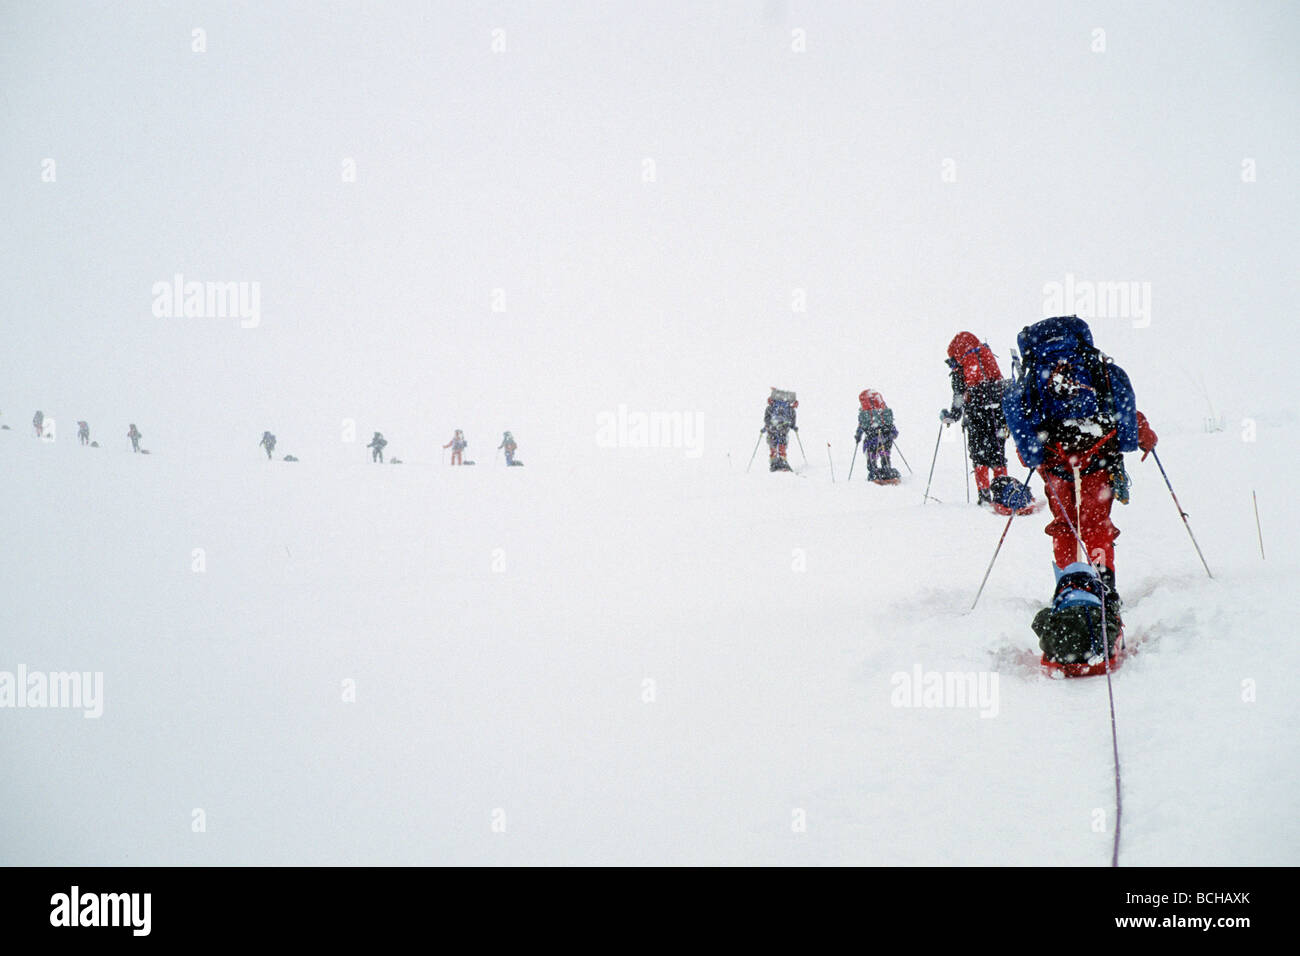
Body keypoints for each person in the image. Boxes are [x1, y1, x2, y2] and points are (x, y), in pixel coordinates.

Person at [1003, 315, 1159, 667]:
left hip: (1056, 462)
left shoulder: (1034, 373)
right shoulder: (1094, 365)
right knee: (1095, 525)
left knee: (1065, 524)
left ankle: (1070, 586)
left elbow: (1025, 435)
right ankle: (1104, 591)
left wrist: (1035, 453)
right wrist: (1141, 433)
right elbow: (1125, 416)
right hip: (1097, 458)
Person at [941, 332, 1013, 508]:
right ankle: (1002, 492)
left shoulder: (961, 366)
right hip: (997, 411)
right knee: (998, 454)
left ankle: (984, 495)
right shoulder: (985, 356)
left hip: (976, 413)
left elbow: (959, 395)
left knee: (979, 454)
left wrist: (952, 415)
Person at [854, 389, 900, 483]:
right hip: (886, 438)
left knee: (872, 456)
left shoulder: (864, 413)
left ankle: (874, 473)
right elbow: (891, 425)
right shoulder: (884, 410)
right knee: (885, 455)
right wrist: (891, 433)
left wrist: (858, 436)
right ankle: (887, 472)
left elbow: (861, 426)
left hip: (872, 439)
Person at [762, 388, 798, 472]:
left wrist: (767, 426)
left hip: (772, 429)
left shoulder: (770, 408)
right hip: (784, 429)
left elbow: (766, 419)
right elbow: (792, 420)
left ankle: (774, 462)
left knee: (773, 444)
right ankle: (783, 461)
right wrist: (793, 427)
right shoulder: (790, 408)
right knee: (782, 443)